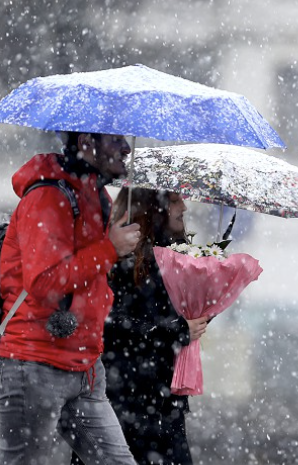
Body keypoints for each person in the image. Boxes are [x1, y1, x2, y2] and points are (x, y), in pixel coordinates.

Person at [0, 132, 142, 464]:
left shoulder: (96, 194)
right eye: (114, 139)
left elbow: (89, 275)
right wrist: (109, 249)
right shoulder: (48, 196)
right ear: (87, 141)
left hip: (86, 367)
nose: (125, 148)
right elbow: (45, 282)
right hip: (34, 363)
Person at [84, 187, 208, 465]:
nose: (184, 209)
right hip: (123, 398)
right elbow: (110, 324)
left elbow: (181, 321)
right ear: (153, 208)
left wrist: (205, 305)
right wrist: (175, 330)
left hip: (164, 401)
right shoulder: (118, 260)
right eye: (176, 201)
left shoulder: (178, 258)